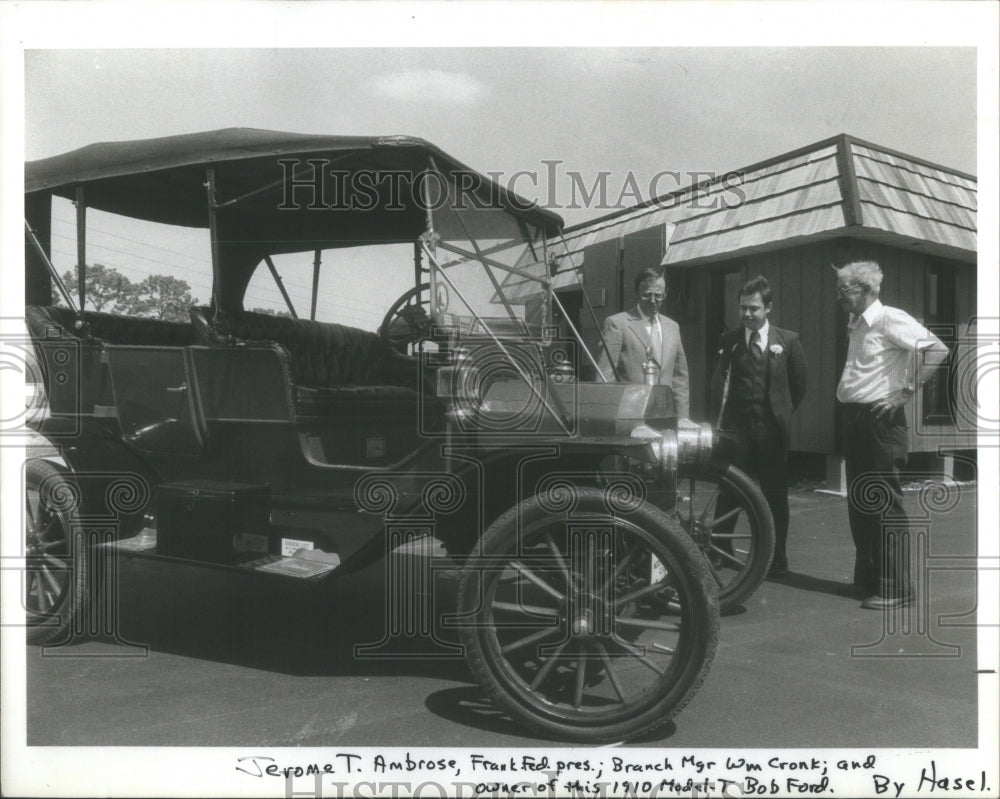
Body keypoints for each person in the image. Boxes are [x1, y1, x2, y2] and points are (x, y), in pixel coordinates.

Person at [835, 259, 949, 610]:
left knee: (885, 504)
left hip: (880, 422)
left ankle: (897, 588)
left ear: (867, 290)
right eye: (839, 290)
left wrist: (907, 391)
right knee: (861, 503)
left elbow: (937, 349)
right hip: (855, 420)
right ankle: (870, 580)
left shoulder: (889, 318)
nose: (840, 297)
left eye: (846, 290)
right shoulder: (856, 323)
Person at [709, 276, 807, 579]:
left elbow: (799, 384)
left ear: (768, 308)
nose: (747, 314)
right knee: (730, 492)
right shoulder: (730, 341)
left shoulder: (787, 341)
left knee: (774, 495)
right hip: (736, 431)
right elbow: (717, 382)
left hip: (771, 432)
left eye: (753, 308)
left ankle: (777, 560)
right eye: (743, 309)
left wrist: (782, 412)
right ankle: (718, 553)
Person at [596, 267, 690, 419]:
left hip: (666, 418)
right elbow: (604, 378)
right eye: (647, 295)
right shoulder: (617, 324)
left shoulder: (673, 327)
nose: (653, 301)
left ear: (665, 294)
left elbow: (680, 380)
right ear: (637, 294)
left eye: (658, 296)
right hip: (629, 418)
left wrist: (683, 420)